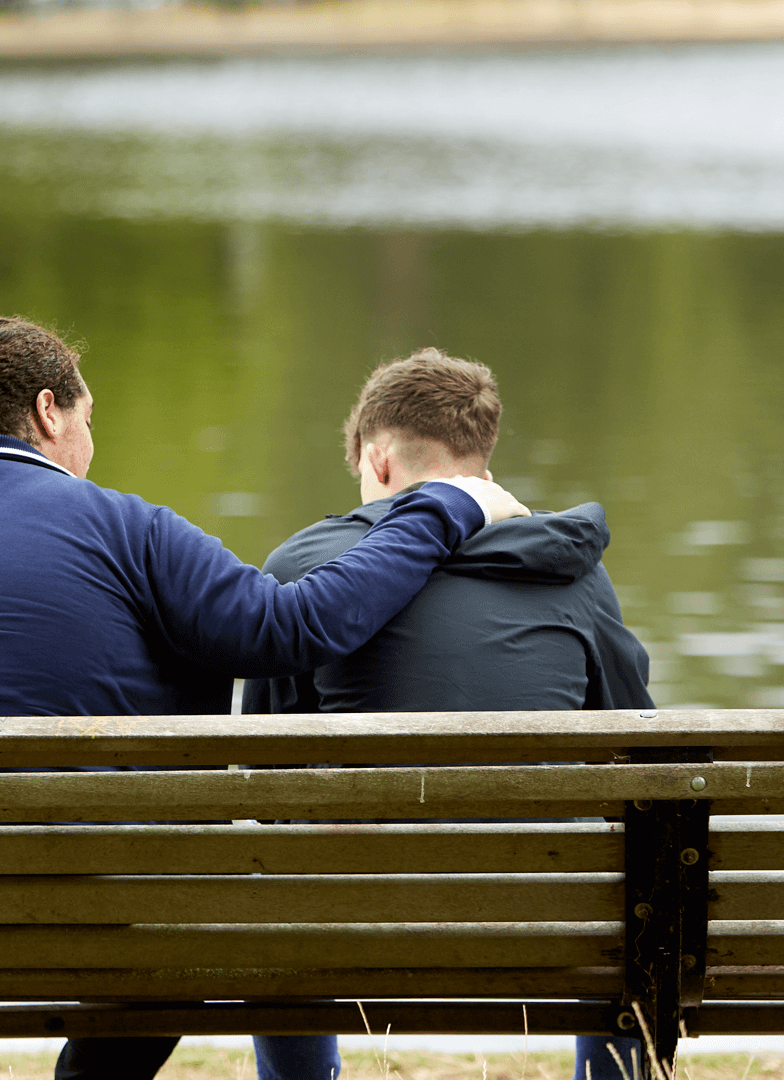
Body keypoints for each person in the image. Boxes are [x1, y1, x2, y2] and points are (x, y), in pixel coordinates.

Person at [0, 317, 539, 1080]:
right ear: (50, 412)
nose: (90, 442)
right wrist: (444, 505)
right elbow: (295, 626)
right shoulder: (123, 528)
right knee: (192, 903)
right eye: (89, 418)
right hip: (103, 911)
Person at [242, 348, 656, 1080]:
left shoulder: (304, 571)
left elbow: (270, 779)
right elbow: (636, 745)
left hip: (350, 916)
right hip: (551, 912)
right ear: (483, 472)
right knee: (640, 889)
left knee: (283, 884)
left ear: (376, 460)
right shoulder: (575, 573)